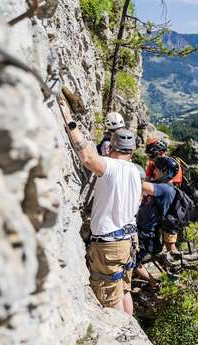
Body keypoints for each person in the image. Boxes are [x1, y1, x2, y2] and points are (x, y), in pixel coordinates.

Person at [60, 100, 141, 315]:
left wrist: (69, 120)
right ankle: (131, 332)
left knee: (110, 300)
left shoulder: (111, 167)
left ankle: (122, 336)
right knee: (124, 289)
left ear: (112, 147)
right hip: (129, 239)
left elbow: (86, 156)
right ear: (131, 150)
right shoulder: (135, 171)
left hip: (110, 243)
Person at [135, 156, 180, 288]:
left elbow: (141, 185)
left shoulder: (165, 189)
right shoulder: (165, 187)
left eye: (157, 169)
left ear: (165, 171)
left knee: (131, 261)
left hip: (147, 237)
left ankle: (154, 283)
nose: (154, 172)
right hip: (147, 234)